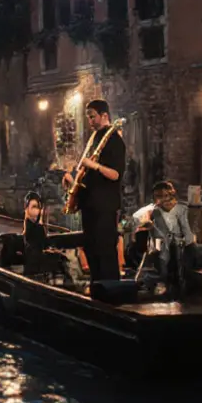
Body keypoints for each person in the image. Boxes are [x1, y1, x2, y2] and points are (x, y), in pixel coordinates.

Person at [60, 99, 126, 288]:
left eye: (92, 117)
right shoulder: (94, 138)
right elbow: (86, 172)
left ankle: (111, 291)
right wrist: (72, 180)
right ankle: (97, 289)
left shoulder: (115, 141)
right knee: (91, 249)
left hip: (105, 206)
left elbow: (115, 174)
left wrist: (95, 166)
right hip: (89, 204)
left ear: (104, 115)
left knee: (105, 251)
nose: (89, 121)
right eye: (88, 117)